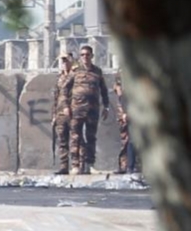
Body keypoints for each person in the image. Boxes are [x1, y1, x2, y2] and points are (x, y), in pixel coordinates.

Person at [69, 45, 110, 174]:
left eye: (87, 54)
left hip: (92, 109)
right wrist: (65, 106)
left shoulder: (97, 71)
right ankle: (75, 165)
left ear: (92, 56)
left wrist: (106, 106)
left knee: (91, 137)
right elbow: (65, 89)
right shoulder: (75, 71)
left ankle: (90, 164)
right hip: (77, 109)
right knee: (75, 136)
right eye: (82, 55)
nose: (85, 57)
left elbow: (104, 90)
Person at [51, 53, 75, 175]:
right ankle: (64, 166)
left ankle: (77, 165)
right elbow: (56, 97)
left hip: (73, 111)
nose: (65, 63)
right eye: (63, 61)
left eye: (67, 61)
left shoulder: (76, 76)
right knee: (62, 140)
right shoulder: (59, 77)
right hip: (60, 113)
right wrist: (54, 115)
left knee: (76, 139)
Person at [113, 72, 140, 174]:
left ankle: (133, 166)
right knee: (127, 140)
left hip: (136, 111)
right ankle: (126, 166)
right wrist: (125, 113)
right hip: (126, 111)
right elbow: (120, 94)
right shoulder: (121, 75)